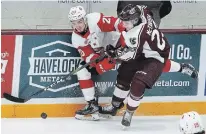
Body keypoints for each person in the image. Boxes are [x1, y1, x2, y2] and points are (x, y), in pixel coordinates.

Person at [68, 5, 198, 121]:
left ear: (85, 19)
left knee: (147, 62)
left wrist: (126, 37)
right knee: (83, 70)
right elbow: (88, 56)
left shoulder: (95, 19)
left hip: (122, 42)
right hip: (107, 52)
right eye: (74, 23)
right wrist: (96, 59)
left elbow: (117, 24)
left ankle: (181, 68)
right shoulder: (76, 38)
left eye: (79, 21)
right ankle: (92, 104)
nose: (77, 26)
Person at [98, 4, 171, 128]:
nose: (123, 25)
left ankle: (129, 112)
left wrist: (114, 54)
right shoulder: (143, 11)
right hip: (143, 51)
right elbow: (142, 7)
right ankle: (114, 106)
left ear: (135, 20)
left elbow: (129, 56)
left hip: (155, 58)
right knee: (124, 74)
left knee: (138, 84)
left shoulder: (136, 34)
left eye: (126, 22)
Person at [116, 0, 198, 79]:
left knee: (149, 58)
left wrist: (152, 18)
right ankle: (182, 68)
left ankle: (182, 68)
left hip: (148, 13)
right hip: (127, 15)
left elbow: (167, 6)